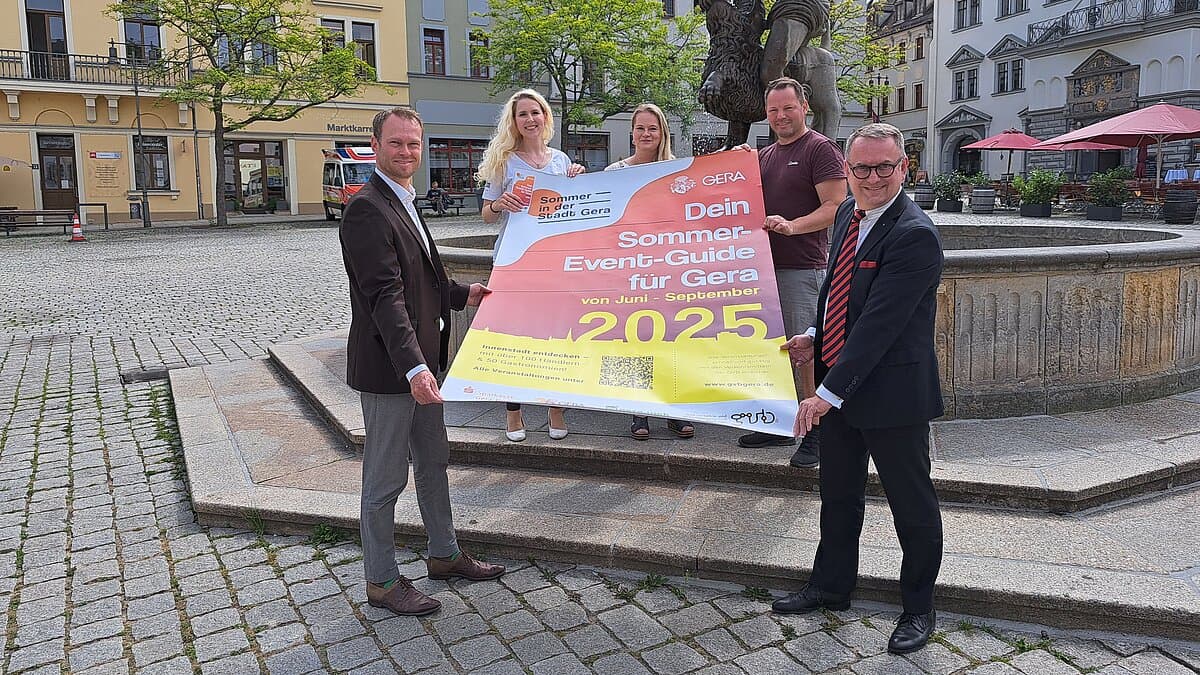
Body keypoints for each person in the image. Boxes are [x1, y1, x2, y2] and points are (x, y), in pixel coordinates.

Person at [772, 123, 944, 656]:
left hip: (891, 394)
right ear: (847, 169)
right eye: (862, 168)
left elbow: (879, 328)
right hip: (840, 386)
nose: (872, 178)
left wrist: (825, 393)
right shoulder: (849, 211)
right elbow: (840, 294)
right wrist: (813, 335)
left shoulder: (913, 233)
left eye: (884, 167)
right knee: (838, 495)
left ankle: (918, 607)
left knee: (910, 504)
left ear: (904, 168)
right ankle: (830, 586)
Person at [340, 107, 505, 617]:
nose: (407, 152)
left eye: (414, 144)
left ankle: (444, 554)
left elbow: (423, 280)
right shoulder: (367, 208)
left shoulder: (405, 201)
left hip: (421, 367)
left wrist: (464, 293)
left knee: (433, 462)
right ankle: (382, 581)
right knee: (385, 478)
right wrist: (414, 370)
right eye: (396, 144)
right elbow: (385, 297)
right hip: (394, 370)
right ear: (376, 145)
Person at [737, 77, 846, 470]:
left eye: (788, 108)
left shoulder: (821, 148)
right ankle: (782, 421)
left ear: (804, 106)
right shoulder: (764, 156)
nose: (781, 116)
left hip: (802, 265)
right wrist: (735, 165)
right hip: (763, 269)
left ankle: (817, 432)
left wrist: (792, 226)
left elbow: (836, 205)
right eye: (773, 110)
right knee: (774, 349)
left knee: (806, 352)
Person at [477, 89, 584, 442]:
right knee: (513, 337)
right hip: (512, 259)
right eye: (523, 114)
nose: (530, 119)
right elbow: (486, 215)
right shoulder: (504, 161)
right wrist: (500, 205)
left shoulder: (559, 160)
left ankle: (555, 406)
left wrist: (578, 181)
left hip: (552, 259)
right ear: (514, 121)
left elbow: (572, 210)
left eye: (535, 112)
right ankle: (513, 413)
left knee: (554, 335)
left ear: (545, 117)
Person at [605, 103, 696, 441]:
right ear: (632, 133)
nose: (646, 134)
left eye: (653, 129)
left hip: (669, 270)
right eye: (641, 128)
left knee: (672, 339)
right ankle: (638, 412)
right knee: (634, 338)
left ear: (663, 134)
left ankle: (674, 410)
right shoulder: (615, 171)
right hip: (630, 270)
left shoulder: (676, 171)